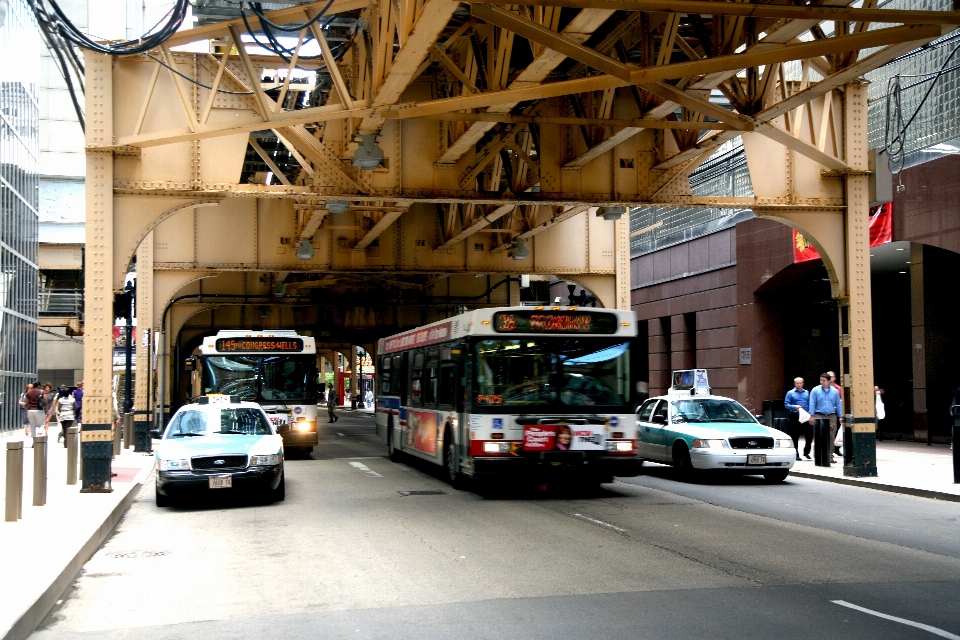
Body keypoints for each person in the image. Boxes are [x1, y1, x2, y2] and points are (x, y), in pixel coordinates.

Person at [810, 372, 842, 463]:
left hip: (831, 415)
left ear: (829, 381)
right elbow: (812, 403)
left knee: (831, 436)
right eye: (821, 380)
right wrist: (811, 415)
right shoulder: (815, 390)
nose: (822, 382)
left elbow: (838, 404)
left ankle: (830, 455)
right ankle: (818, 455)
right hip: (819, 414)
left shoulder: (834, 391)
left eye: (824, 380)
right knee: (818, 436)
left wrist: (840, 416)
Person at [784, 377, 812, 460]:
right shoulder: (790, 393)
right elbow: (786, 404)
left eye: (800, 383)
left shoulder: (807, 392)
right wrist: (794, 407)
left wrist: (810, 413)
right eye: (797, 383)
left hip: (805, 415)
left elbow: (810, 403)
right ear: (794, 384)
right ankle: (796, 453)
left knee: (809, 433)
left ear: (803, 384)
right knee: (795, 435)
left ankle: (806, 451)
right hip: (795, 415)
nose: (799, 385)